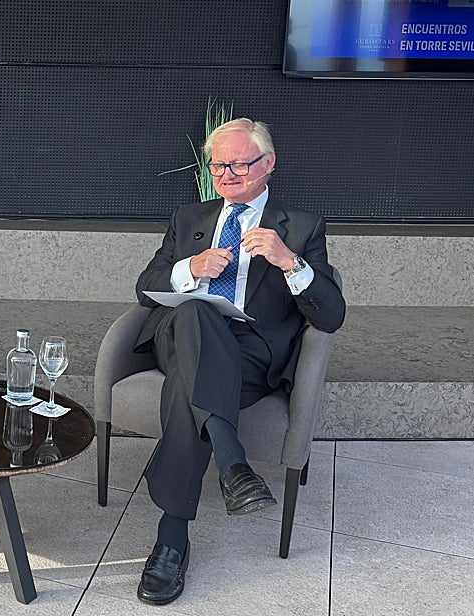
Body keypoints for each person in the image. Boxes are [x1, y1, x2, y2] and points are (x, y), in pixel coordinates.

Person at [132, 118, 345, 605]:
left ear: (268, 166)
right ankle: (232, 464)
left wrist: (291, 261)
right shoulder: (189, 218)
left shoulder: (303, 226)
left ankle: (172, 540)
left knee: (189, 391)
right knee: (194, 314)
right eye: (217, 165)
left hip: (251, 351)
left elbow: (331, 316)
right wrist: (190, 268)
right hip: (179, 336)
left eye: (239, 164)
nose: (226, 175)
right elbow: (145, 289)